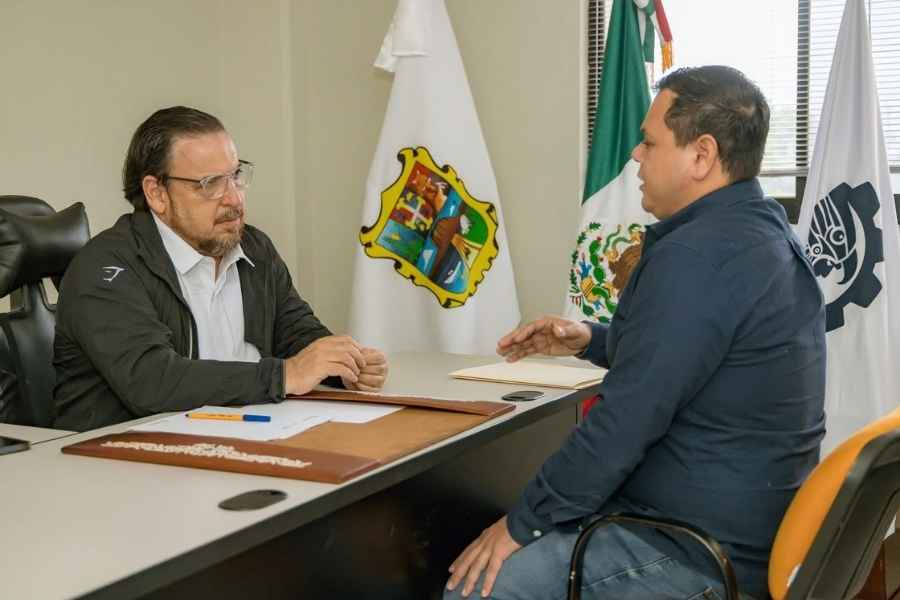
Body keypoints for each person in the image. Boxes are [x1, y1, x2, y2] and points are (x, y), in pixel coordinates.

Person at [445, 66, 825, 600]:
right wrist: (590, 339)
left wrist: (521, 524)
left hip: (694, 551)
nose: (636, 156)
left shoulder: (697, 257)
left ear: (702, 155)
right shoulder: (760, 232)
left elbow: (623, 424)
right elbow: (700, 356)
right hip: (744, 532)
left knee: (478, 587)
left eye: (650, 142)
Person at [53, 107, 387, 431]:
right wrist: (286, 375)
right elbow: (153, 382)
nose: (234, 199)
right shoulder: (106, 267)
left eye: (236, 176)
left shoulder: (254, 247)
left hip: (241, 436)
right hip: (122, 456)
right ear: (156, 193)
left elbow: (295, 333)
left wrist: (342, 365)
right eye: (210, 183)